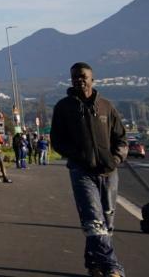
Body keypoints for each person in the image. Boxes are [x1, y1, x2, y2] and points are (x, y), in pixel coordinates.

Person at [51, 62, 128, 277]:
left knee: (107, 223)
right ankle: (113, 268)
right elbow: (57, 141)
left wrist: (116, 158)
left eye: (83, 76)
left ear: (92, 79)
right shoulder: (63, 107)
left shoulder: (106, 107)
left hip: (109, 173)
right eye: (74, 76)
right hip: (81, 172)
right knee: (94, 221)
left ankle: (94, 263)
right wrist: (78, 157)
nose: (78, 80)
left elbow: (121, 137)